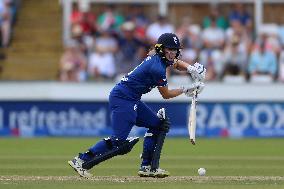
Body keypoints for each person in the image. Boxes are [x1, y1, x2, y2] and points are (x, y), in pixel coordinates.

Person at [68, 33, 206, 178]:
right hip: (123, 98)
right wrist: (186, 89)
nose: (173, 53)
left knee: (158, 125)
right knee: (119, 141)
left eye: (175, 49)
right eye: (169, 49)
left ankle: (147, 167)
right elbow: (166, 95)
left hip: (131, 98)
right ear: (161, 49)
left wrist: (192, 69)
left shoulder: (160, 57)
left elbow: (176, 63)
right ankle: (81, 160)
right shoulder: (157, 68)